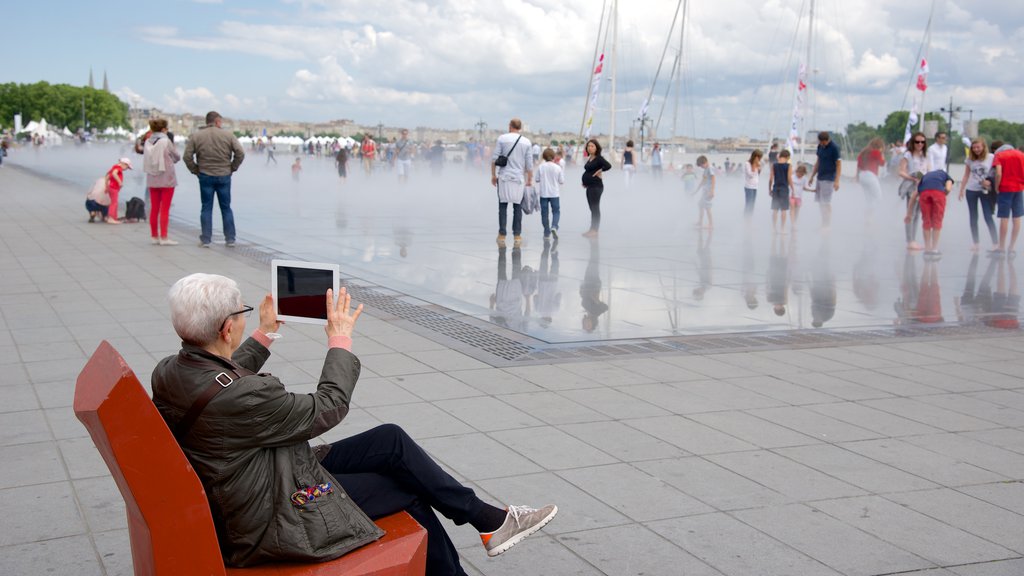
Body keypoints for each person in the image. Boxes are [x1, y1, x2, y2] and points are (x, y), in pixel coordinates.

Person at [151, 274, 557, 574]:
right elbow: (327, 407)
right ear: (226, 328)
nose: (244, 319)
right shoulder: (248, 397)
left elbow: (222, 379)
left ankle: (490, 521)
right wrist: (340, 339)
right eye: (241, 315)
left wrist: (266, 333)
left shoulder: (171, 370)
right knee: (407, 492)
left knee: (390, 440)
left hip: (255, 476)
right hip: (273, 509)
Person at [183, 111, 245, 247]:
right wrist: (232, 168)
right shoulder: (228, 135)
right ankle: (230, 238)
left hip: (205, 175)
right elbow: (240, 153)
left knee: (206, 207)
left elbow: (187, 157)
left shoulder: (197, 136)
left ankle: (206, 239)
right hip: (224, 175)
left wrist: (195, 170)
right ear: (217, 121)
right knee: (226, 208)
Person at [490, 118, 533, 248]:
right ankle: (517, 236)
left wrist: (493, 175)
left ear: (510, 126)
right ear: (520, 127)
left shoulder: (502, 138)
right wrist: (529, 179)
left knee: (502, 207)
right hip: (518, 178)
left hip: (504, 177)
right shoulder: (526, 142)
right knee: (517, 207)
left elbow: (494, 159)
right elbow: (529, 164)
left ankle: (502, 234)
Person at [142, 119, 181, 245]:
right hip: (166, 179)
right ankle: (164, 237)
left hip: (152, 178)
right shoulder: (166, 141)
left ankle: (154, 236)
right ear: (164, 129)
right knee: (165, 208)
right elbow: (176, 156)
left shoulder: (148, 141)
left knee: (154, 208)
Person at [905, 168, 953, 259]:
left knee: (926, 221)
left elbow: (913, 196)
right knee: (937, 221)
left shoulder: (925, 178)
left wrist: (909, 214)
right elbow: (948, 188)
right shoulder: (945, 175)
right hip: (938, 194)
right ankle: (934, 249)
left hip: (924, 194)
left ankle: (927, 249)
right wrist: (943, 194)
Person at [959, 137, 997, 252]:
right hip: (972, 190)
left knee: (987, 216)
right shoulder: (970, 159)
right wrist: (961, 189)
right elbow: (966, 175)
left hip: (985, 190)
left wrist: (991, 182)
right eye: (974, 147)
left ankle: (995, 243)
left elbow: (997, 172)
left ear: (983, 147)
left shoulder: (991, 157)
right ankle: (976, 242)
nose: (976, 149)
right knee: (973, 216)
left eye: (978, 147)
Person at [899, 132, 931, 251]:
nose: (920, 144)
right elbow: (901, 171)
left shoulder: (926, 155)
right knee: (910, 213)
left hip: (923, 186)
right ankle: (909, 240)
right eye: (917, 142)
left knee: (918, 214)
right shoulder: (908, 155)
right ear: (913, 142)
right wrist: (912, 178)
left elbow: (929, 169)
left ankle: (913, 239)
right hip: (911, 186)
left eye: (922, 142)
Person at [992, 140, 1024, 257]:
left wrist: (996, 186)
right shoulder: (1021, 154)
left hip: (1005, 189)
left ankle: (1001, 247)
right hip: (1019, 189)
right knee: (1017, 218)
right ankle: (1011, 247)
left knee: (1004, 218)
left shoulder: (999, 155)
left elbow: (998, 173)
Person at [808, 131, 841, 229]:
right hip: (820, 177)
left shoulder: (834, 148)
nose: (822, 144)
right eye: (820, 142)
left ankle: (827, 225)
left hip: (829, 178)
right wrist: (812, 176)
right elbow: (818, 162)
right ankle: (823, 223)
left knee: (826, 203)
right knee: (820, 202)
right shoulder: (820, 147)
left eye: (823, 143)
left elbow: (839, 165)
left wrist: (837, 180)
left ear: (827, 140)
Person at [581, 138, 612, 238]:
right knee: (592, 208)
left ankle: (595, 230)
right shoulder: (590, 158)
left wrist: (600, 171)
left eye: (592, 146)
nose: (589, 148)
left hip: (596, 187)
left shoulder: (599, 158)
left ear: (596, 148)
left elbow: (608, 166)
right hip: (590, 186)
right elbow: (589, 171)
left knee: (595, 208)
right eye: (588, 146)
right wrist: (585, 181)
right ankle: (592, 229)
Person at [856, 137, 886, 225]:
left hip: (862, 176)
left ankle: (868, 218)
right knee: (878, 197)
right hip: (871, 176)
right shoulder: (876, 152)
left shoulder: (863, 152)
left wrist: (857, 177)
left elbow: (859, 166)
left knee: (869, 199)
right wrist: (882, 153)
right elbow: (882, 163)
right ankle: (869, 217)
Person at [536, 148, 564, 240]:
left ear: (543, 157)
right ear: (554, 156)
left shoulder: (541, 167)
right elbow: (561, 181)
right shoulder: (557, 167)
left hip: (543, 193)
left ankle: (546, 232)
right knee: (556, 211)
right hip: (554, 194)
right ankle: (554, 226)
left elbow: (537, 179)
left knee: (544, 213)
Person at [768, 149, 792, 233]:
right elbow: (789, 178)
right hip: (784, 189)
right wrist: (793, 188)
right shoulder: (789, 166)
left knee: (775, 209)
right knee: (783, 210)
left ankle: (774, 229)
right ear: (787, 157)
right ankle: (782, 229)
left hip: (775, 188)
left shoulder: (774, 165)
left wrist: (769, 189)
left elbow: (771, 179)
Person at [103, 157, 133, 224]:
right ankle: (111, 218)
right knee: (114, 203)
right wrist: (120, 182)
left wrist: (106, 186)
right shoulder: (118, 168)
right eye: (127, 167)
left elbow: (107, 177)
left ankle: (113, 217)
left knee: (114, 202)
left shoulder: (114, 167)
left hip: (111, 187)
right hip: (114, 188)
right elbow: (114, 173)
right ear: (124, 164)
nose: (126, 169)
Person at [694, 155, 715, 229]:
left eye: (701, 165)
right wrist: (696, 191)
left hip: (708, 191)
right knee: (700, 205)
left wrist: (712, 191)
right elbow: (703, 181)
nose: (701, 167)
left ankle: (710, 224)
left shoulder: (710, 168)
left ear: (705, 162)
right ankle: (700, 221)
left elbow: (713, 179)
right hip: (705, 191)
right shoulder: (706, 169)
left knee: (707, 207)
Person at [790, 163, 811, 232]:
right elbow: (788, 185)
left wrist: (812, 190)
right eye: (799, 173)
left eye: (802, 174)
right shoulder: (792, 177)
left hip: (799, 197)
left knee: (797, 211)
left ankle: (794, 223)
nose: (800, 175)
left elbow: (804, 188)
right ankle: (793, 224)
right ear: (797, 171)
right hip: (791, 196)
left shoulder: (804, 179)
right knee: (792, 209)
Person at [742, 149, 763, 217]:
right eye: (759, 157)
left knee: (752, 206)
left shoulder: (758, 164)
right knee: (749, 205)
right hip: (749, 187)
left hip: (755, 187)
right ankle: (746, 221)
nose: (760, 159)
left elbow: (757, 175)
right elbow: (751, 175)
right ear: (755, 157)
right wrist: (754, 164)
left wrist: (759, 168)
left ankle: (749, 221)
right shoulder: (747, 163)